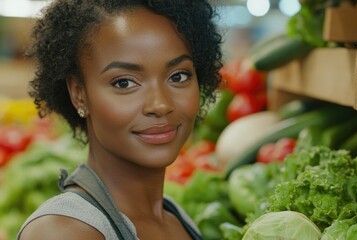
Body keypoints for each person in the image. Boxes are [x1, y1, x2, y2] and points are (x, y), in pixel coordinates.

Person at [17, 0, 223, 239]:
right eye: (124, 82)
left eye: (178, 76)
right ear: (78, 94)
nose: (160, 104)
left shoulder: (177, 218)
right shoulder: (63, 231)